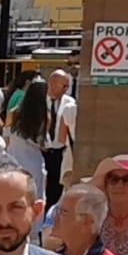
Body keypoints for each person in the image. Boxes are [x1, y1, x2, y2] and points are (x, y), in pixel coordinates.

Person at [5, 80, 50, 203]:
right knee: (34, 197)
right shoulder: (45, 117)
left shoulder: (13, 113)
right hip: (33, 161)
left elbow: (6, 136)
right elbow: (44, 144)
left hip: (13, 157)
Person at [41, 70, 78, 207]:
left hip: (59, 152)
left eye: (67, 86)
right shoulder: (38, 100)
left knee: (55, 191)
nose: (66, 89)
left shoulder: (69, 103)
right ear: (51, 84)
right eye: (63, 86)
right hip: (40, 150)